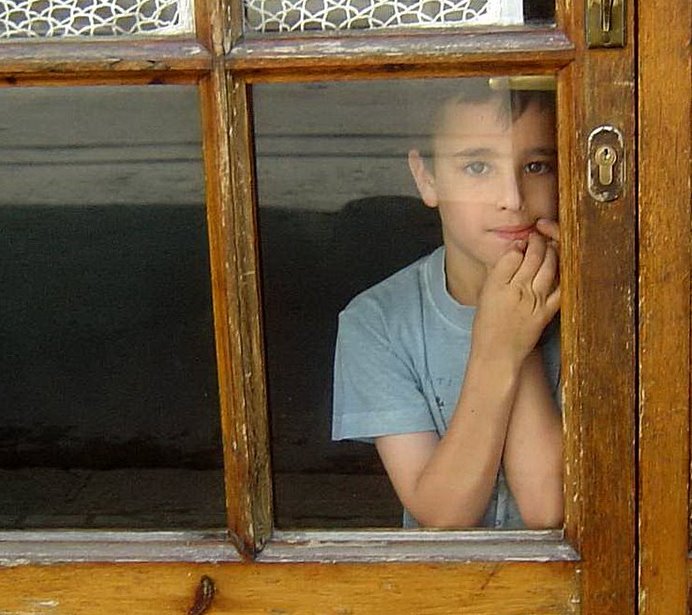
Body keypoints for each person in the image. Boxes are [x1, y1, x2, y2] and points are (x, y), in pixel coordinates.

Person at [331, 79, 562, 529]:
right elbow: (443, 517)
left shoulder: (603, 302)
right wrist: (499, 346)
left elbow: (548, 509)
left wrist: (522, 331)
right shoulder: (376, 322)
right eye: (477, 167)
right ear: (427, 178)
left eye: (536, 166)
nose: (512, 200)